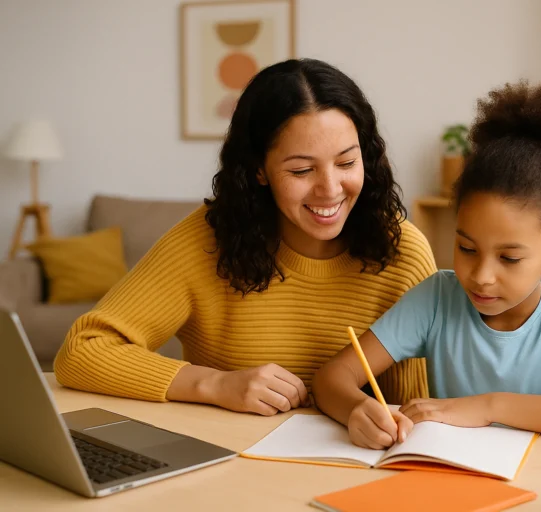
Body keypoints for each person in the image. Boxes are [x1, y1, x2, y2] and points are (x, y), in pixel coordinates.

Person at [54, 58, 436, 415]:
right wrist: (215, 384)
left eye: (347, 162)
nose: (330, 189)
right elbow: (83, 351)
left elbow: (418, 407)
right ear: (259, 170)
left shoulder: (403, 251)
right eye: (302, 170)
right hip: (227, 455)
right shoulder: (205, 241)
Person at [313, 74, 541, 447]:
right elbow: (332, 378)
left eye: (509, 257)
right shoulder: (437, 299)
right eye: (467, 248)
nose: (482, 276)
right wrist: (358, 408)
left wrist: (491, 407)